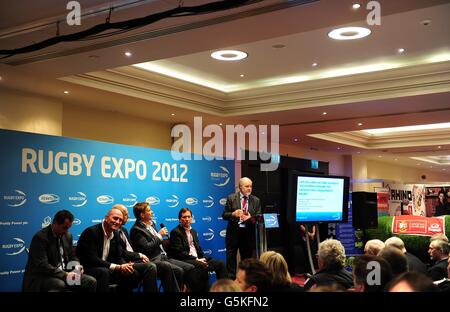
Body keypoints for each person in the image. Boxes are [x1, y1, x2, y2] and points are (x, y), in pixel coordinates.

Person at [76, 207, 157, 292]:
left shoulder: (116, 233)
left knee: (132, 274)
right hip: (88, 268)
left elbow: (118, 255)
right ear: (106, 217)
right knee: (104, 272)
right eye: (115, 218)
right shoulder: (91, 232)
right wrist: (118, 267)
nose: (117, 222)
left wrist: (125, 266)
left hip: (108, 267)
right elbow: (92, 259)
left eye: (120, 220)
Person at [23, 210, 96, 292]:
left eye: (68, 228)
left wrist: (77, 266)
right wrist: (65, 274)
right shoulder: (40, 237)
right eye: (64, 227)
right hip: (42, 277)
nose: (66, 231)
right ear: (55, 223)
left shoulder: (68, 235)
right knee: (59, 284)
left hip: (64, 275)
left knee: (90, 281)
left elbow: (72, 256)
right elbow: (42, 265)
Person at [130, 201, 194, 292]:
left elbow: (157, 243)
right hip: (152, 260)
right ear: (142, 215)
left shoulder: (152, 224)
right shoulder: (136, 230)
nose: (152, 212)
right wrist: (159, 235)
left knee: (186, 268)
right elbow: (147, 248)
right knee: (168, 267)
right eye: (149, 210)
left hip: (163, 257)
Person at [170, 207, 227, 292]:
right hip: (185, 260)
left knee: (221, 264)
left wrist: (202, 258)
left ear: (192, 218)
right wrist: (196, 259)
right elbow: (179, 253)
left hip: (198, 259)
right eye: (184, 217)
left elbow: (198, 248)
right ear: (179, 219)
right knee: (201, 266)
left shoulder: (193, 231)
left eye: (189, 217)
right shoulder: (175, 232)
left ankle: (223, 290)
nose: (187, 219)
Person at [112, 204, 159, 292]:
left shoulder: (124, 230)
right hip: (120, 263)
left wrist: (139, 257)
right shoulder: (113, 232)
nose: (128, 216)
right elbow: (120, 253)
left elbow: (129, 250)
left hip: (132, 260)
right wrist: (139, 256)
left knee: (174, 267)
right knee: (151, 266)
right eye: (126, 214)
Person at [222, 177, 261, 279]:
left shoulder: (256, 200)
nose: (249, 188)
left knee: (246, 261)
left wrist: (251, 218)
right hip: (233, 234)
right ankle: (231, 283)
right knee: (231, 260)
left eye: (251, 186)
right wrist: (233, 214)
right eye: (247, 186)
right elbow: (224, 215)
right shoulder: (231, 198)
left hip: (247, 235)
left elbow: (258, 217)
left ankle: (245, 280)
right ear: (240, 187)